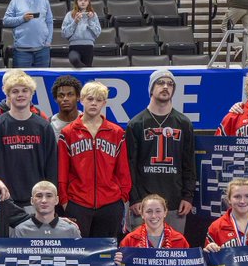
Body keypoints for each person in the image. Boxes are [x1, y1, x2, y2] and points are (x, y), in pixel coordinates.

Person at [125, 68, 196, 233]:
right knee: (142, 246)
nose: (165, 87)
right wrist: (134, 198)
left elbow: (189, 163)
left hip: (175, 202)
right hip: (143, 203)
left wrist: (188, 196)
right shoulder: (136, 124)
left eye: (170, 84)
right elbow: (129, 165)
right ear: (151, 88)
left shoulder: (184, 123)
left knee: (173, 247)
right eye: (160, 83)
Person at [57, 80, 131, 238]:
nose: (94, 103)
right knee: (78, 250)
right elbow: (62, 170)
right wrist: (64, 200)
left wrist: (122, 197)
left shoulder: (116, 132)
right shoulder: (68, 132)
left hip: (110, 203)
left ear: (104, 103)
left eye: (99, 100)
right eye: (90, 99)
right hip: (77, 202)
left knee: (106, 250)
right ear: (81, 100)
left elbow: (123, 169)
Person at [0, 71, 57, 212]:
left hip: (37, 201)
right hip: (3, 199)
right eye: (15, 91)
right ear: (8, 95)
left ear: (32, 94)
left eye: (24, 90)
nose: (20, 95)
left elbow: (52, 166)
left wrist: (48, 197)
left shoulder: (44, 127)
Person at [2, 0, 54, 68]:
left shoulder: (44, 0)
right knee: (21, 78)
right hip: (21, 51)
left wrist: (48, 41)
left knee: (42, 77)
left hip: (42, 50)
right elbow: (6, 21)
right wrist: (22, 19)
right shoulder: (15, 1)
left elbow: (49, 22)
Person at [119, 193, 189, 250]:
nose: (153, 216)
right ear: (142, 214)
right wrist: (119, 260)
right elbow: (122, 261)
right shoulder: (130, 239)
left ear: (165, 213)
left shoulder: (179, 239)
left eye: (158, 211)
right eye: (149, 211)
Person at [61, 0, 103, 68]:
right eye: (80, 0)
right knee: (75, 61)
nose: (83, 2)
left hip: (88, 47)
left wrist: (90, 21)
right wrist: (75, 22)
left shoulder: (93, 15)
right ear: (76, 2)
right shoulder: (69, 15)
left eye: (85, 0)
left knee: (86, 70)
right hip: (74, 47)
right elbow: (64, 34)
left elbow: (98, 32)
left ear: (88, 2)